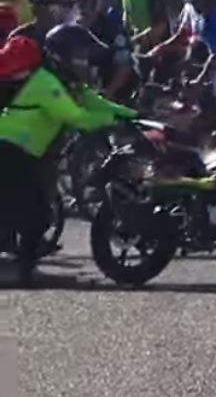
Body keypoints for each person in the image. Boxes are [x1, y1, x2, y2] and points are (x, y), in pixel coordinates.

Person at [0, 33, 136, 286]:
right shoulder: (45, 82)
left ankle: (24, 271)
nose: (85, 61)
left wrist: (133, 116)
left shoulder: (66, 82)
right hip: (10, 151)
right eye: (80, 56)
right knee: (31, 214)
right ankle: (23, 273)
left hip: (25, 153)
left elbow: (94, 102)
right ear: (64, 56)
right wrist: (112, 121)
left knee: (35, 213)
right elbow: (76, 117)